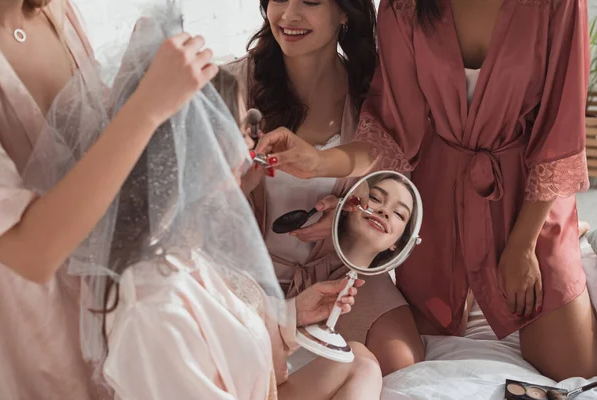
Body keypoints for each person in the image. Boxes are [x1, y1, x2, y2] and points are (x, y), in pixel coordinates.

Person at [25, 7, 382, 398]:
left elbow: (231, 328)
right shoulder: (155, 306)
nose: (254, 142)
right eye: (243, 128)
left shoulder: (192, 254)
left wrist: (295, 313)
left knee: (360, 361)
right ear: (196, 150)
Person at [256, 0, 597, 380]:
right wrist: (318, 163)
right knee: (417, 347)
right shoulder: (404, 5)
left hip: (528, 194)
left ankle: (579, 253)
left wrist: (522, 245)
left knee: (575, 370)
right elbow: (392, 130)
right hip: (435, 194)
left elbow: (560, 127)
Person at [0, 0, 219, 397]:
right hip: (30, 330)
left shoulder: (54, 11)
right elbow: (31, 252)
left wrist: (132, 83)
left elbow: (87, 151)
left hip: (107, 303)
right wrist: (145, 107)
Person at [224, 0, 424, 375]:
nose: (289, 15)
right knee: (244, 373)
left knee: (403, 362)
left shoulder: (372, 95)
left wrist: (347, 217)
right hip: (247, 276)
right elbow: (192, 206)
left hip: (336, 275)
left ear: (346, 12)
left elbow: (399, 193)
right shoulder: (232, 86)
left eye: (311, 1)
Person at [338, 174, 415, 270]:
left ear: (398, 242)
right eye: (375, 198)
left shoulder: (379, 285)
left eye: (398, 213)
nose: (385, 211)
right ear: (348, 203)